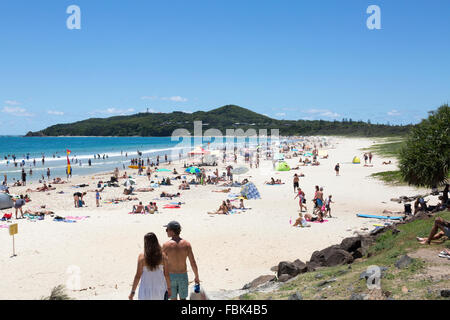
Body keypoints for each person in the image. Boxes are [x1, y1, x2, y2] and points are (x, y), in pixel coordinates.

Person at [162, 221, 200, 300]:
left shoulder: (166, 245)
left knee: (173, 299)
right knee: (183, 299)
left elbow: (161, 263)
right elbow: (192, 262)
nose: (166, 231)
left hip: (171, 276)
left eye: (167, 230)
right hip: (183, 275)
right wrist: (196, 276)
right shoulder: (187, 244)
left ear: (172, 231)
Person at [129, 233, 171, 300]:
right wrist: (169, 288)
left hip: (145, 291)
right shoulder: (163, 257)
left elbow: (138, 276)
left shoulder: (142, 257)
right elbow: (166, 275)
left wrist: (132, 292)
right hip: (160, 290)